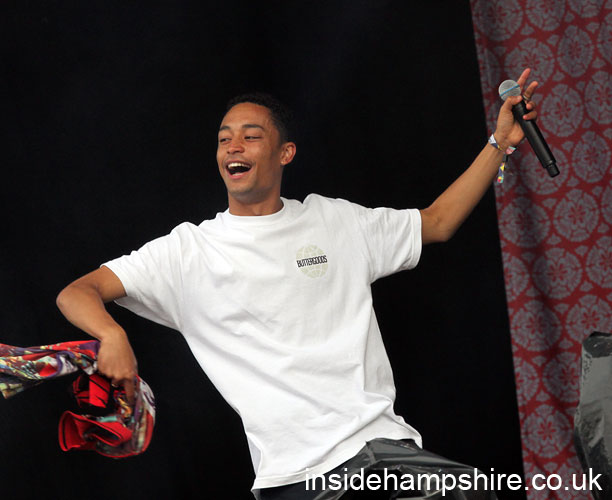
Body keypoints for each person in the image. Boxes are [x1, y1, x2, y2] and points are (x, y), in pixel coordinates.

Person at [56, 69, 539, 498]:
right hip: (299, 477)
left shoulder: (335, 221)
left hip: (384, 451)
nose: (233, 147)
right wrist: (112, 335)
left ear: (285, 152)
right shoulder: (187, 252)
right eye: (224, 139)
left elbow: (437, 222)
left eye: (250, 136)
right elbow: (77, 291)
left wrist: (500, 142)